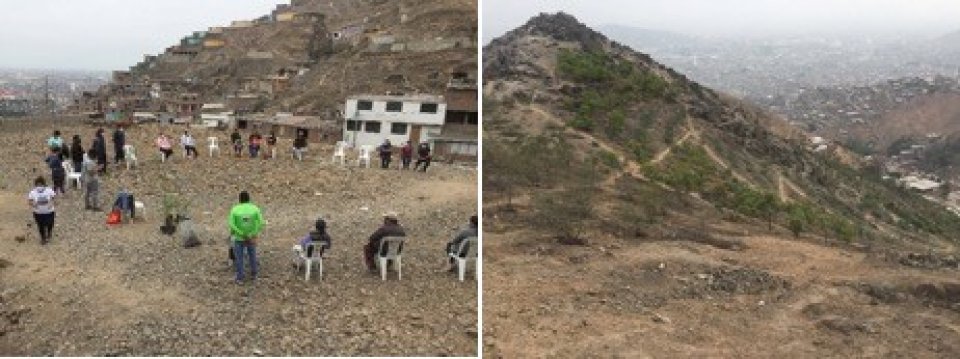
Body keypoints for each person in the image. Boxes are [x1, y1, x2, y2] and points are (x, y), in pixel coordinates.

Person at [229, 191, 265, 283]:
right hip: (251, 237)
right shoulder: (255, 208)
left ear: (239, 199)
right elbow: (261, 223)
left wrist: (240, 233)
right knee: (252, 256)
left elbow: (231, 224)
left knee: (239, 258)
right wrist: (252, 233)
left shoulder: (235, 209)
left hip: (239, 238)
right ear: (249, 199)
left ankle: (240, 277)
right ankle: (254, 275)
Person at [27, 176, 56, 245]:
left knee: (50, 223)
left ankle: (49, 232)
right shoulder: (32, 192)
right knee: (40, 225)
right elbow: (30, 201)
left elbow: (54, 198)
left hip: (49, 212)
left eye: (41, 185)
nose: (39, 186)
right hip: (38, 213)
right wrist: (33, 205)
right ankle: (43, 238)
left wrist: (52, 203)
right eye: (38, 185)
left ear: (44, 184)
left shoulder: (49, 190)